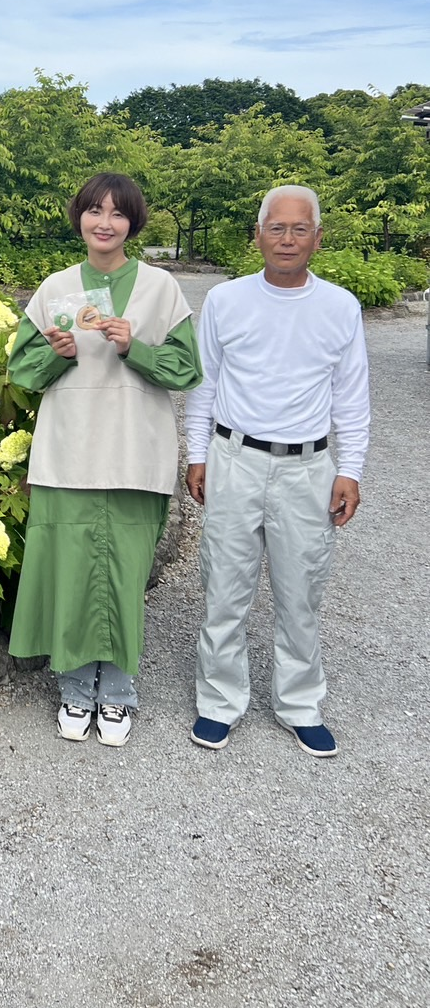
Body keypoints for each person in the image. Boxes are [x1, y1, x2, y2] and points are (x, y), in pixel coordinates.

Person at [7, 173, 202, 746]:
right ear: (80, 218)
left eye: (118, 213)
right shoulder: (57, 287)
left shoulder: (161, 290)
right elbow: (23, 370)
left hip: (134, 450)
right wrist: (56, 352)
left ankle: (116, 692)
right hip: (68, 450)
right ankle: (73, 687)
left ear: (133, 223)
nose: (105, 222)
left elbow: (185, 369)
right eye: (95, 210)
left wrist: (132, 347)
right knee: (69, 571)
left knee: (123, 570)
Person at [184, 185, 369, 757]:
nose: (287, 239)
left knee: (301, 591)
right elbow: (204, 382)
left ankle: (299, 702)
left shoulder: (340, 307)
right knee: (224, 586)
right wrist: (196, 454)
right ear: (257, 234)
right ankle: (219, 701)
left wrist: (351, 469)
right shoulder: (225, 301)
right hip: (234, 457)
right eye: (276, 227)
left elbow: (351, 397)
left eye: (299, 228)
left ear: (317, 236)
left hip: (308, 466)